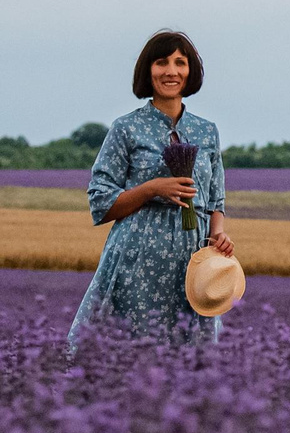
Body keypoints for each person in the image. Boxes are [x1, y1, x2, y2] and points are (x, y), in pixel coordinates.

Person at [67, 29, 238, 352]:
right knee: (125, 351)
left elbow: (215, 198)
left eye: (180, 63)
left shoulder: (207, 131)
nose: (171, 71)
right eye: (161, 62)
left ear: (191, 72)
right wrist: (151, 188)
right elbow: (100, 201)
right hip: (138, 258)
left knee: (193, 358)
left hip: (194, 261)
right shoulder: (126, 129)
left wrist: (218, 235)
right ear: (149, 70)